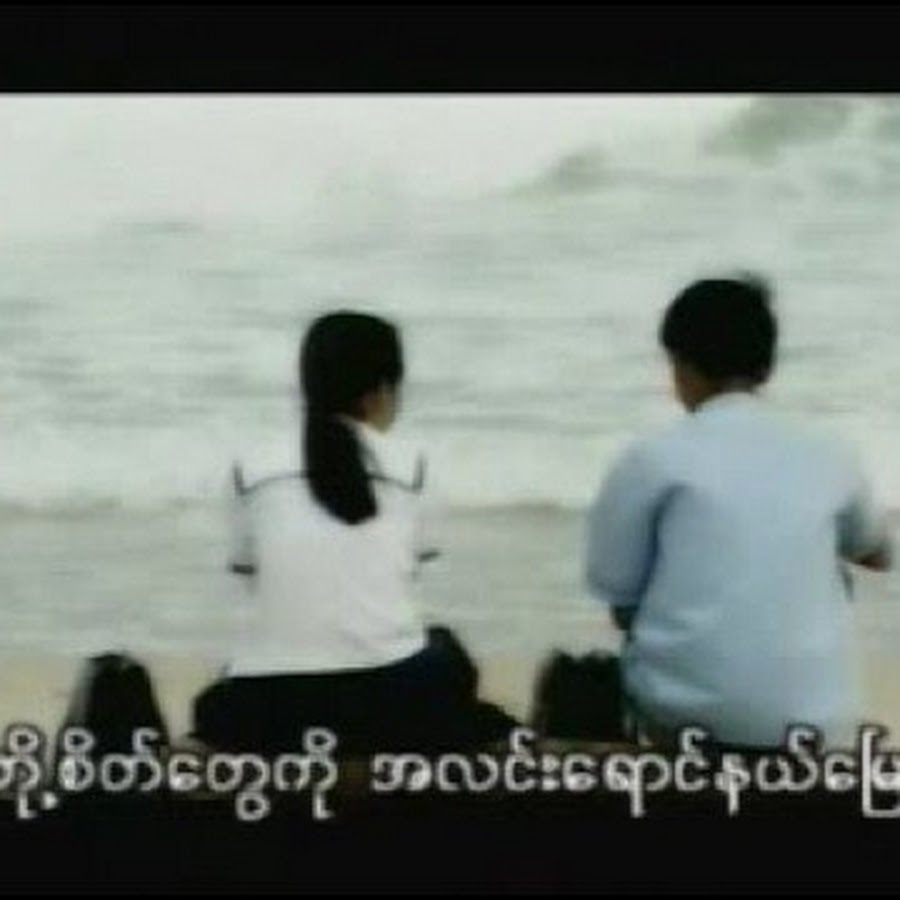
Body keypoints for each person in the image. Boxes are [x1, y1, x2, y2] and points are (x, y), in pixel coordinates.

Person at [585, 276, 892, 751]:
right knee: (830, 570)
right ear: (767, 367)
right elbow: (879, 553)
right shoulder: (830, 452)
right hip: (819, 727)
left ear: (681, 365)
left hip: (685, 721)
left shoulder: (652, 458)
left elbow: (615, 590)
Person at [193, 311, 515, 754]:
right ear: (380, 390)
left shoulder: (249, 469)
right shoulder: (412, 466)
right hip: (389, 696)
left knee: (220, 697)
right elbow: (408, 573)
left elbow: (250, 574)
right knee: (446, 651)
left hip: (271, 703)